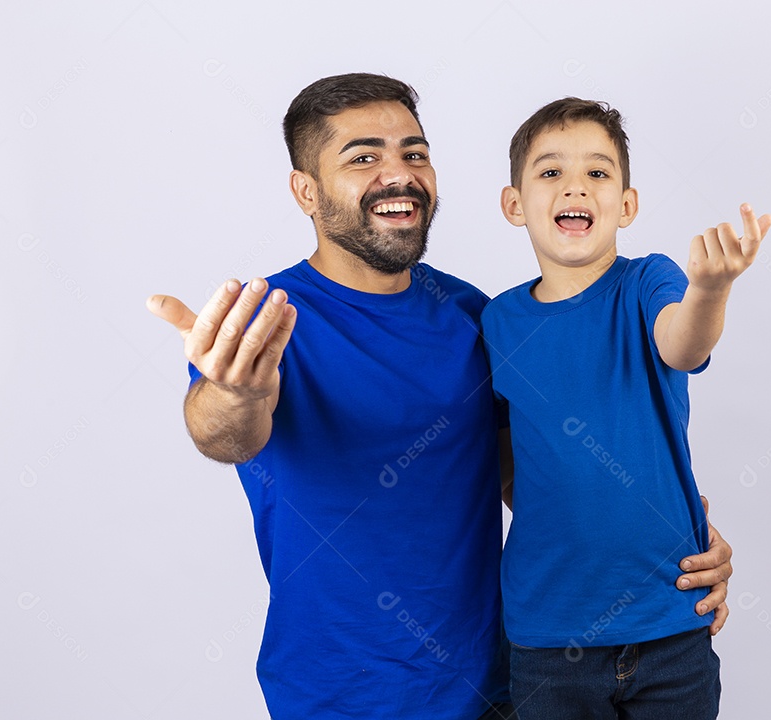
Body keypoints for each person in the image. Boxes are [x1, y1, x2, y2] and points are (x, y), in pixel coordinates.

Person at [146, 74, 734, 719]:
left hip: (503, 689)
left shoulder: (470, 315)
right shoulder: (266, 323)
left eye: (414, 153)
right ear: (305, 191)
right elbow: (224, 433)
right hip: (340, 699)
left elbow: (530, 474)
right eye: (363, 157)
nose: (397, 174)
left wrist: (667, 544)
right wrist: (233, 391)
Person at [482, 97, 771, 719]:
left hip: (672, 624)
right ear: (514, 204)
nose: (575, 187)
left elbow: (684, 341)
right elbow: (507, 457)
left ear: (627, 203)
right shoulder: (499, 321)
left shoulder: (650, 283)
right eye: (551, 172)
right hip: (546, 639)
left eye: (597, 172)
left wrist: (711, 289)